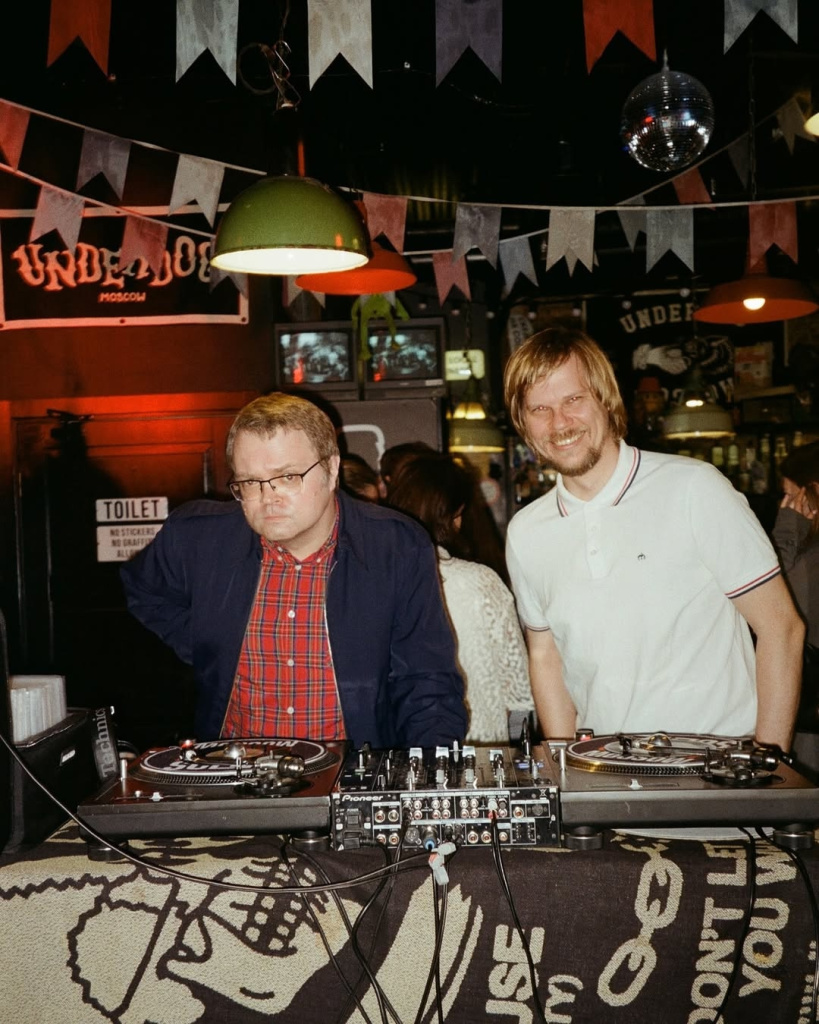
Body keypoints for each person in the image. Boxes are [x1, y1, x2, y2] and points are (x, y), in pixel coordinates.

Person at [503, 326, 804, 753]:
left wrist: (767, 762)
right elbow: (545, 655)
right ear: (523, 424)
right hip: (602, 774)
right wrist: (565, 768)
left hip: (717, 771)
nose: (560, 422)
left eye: (574, 399)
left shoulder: (694, 489)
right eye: (540, 409)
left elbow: (781, 628)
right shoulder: (526, 532)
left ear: (605, 398)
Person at [120, 392, 467, 749]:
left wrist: (432, 767)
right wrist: (210, 648)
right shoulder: (197, 537)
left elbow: (426, 681)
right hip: (233, 771)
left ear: (331, 469)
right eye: (250, 482)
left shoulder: (396, 545)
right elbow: (142, 596)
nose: (268, 497)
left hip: (352, 771)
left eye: (287, 477)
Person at [388, 453, 534, 744]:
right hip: (484, 751)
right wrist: (519, 753)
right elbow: (519, 694)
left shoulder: (380, 582)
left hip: (409, 753)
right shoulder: (481, 582)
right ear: (454, 516)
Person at [772, 440, 819, 734]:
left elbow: (769, 595)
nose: (785, 504)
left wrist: (788, 529)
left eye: (790, 495)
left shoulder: (808, 559)